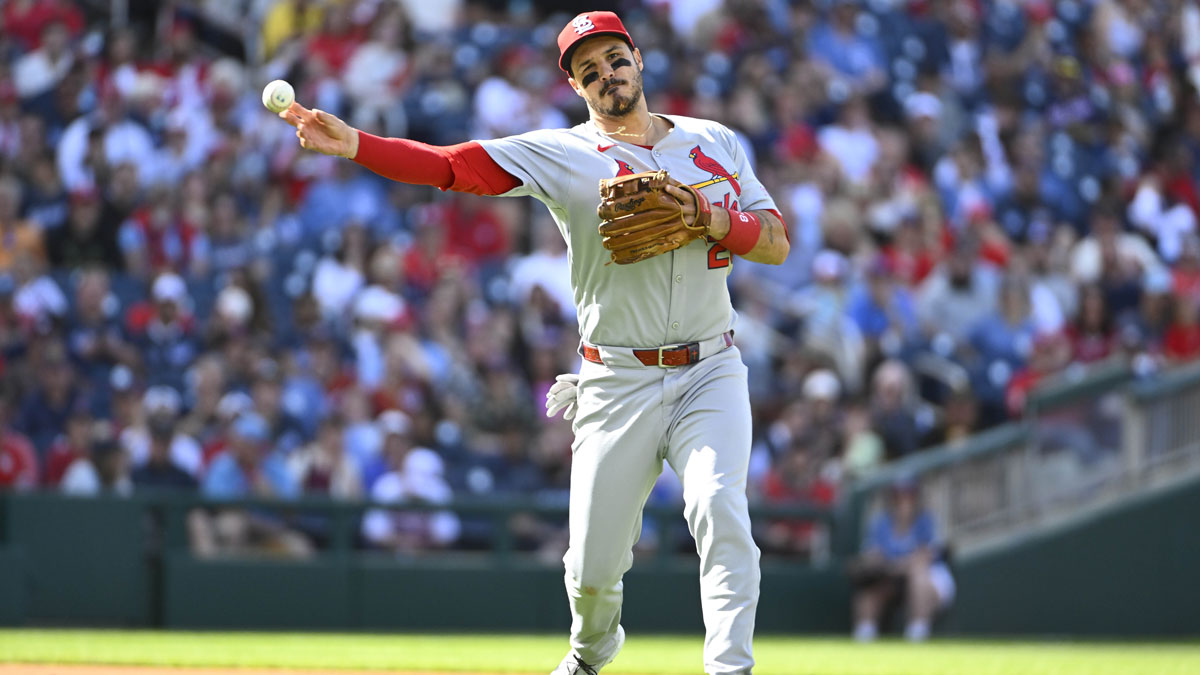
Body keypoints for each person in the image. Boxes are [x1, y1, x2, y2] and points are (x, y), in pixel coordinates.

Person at [277, 10, 789, 674]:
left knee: (719, 505)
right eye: (589, 71)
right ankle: (589, 652)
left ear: (639, 58)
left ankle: (730, 666)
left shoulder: (713, 140)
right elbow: (452, 167)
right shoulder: (565, 153)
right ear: (577, 88)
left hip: (710, 368)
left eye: (614, 59)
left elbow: (776, 241)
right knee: (591, 570)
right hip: (617, 379)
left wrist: (706, 215)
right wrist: (357, 146)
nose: (607, 76)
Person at [849, 476, 955, 643]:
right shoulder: (881, 523)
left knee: (917, 574)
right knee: (869, 590)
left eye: (909, 495)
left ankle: (917, 634)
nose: (904, 501)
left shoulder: (926, 520)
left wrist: (894, 566)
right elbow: (873, 556)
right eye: (898, 495)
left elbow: (923, 558)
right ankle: (864, 636)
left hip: (931, 580)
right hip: (894, 579)